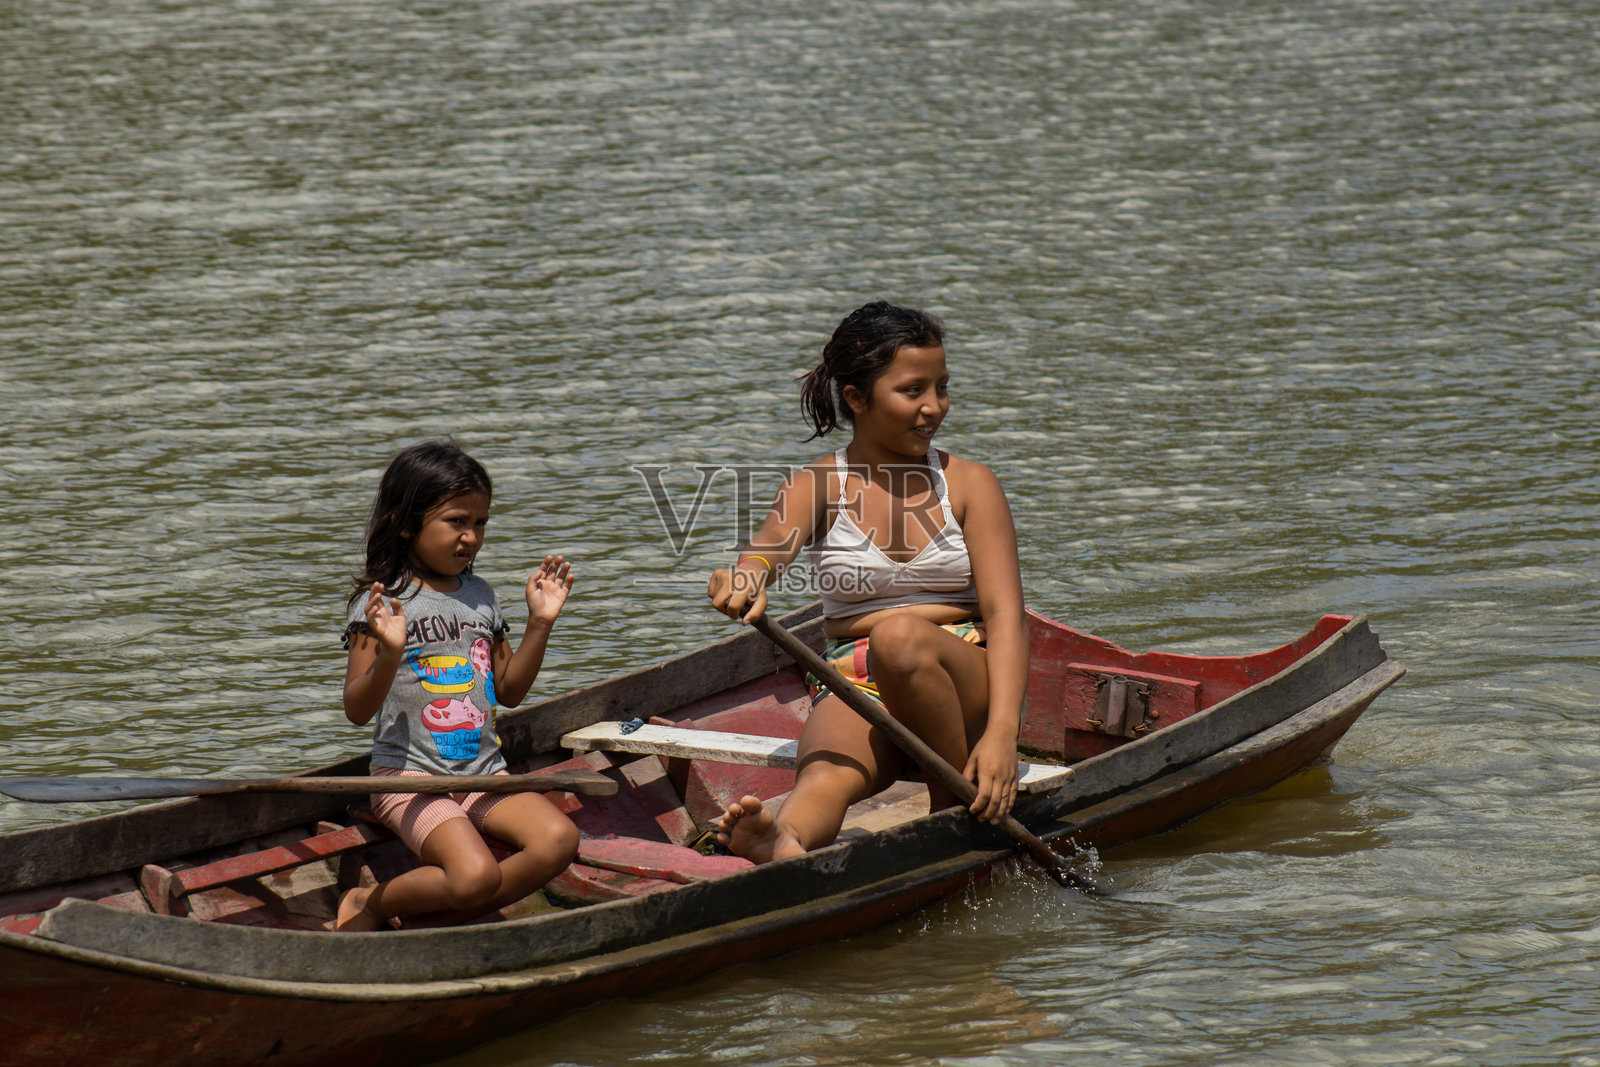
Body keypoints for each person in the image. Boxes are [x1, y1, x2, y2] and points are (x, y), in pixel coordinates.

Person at [707, 301, 1027, 864]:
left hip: (961, 673)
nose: (933, 408)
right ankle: (784, 840)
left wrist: (1001, 734)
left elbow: (1007, 618)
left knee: (899, 638)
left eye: (942, 388)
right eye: (913, 391)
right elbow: (765, 553)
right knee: (826, 775)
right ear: (856, 398)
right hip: (857, 675)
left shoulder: (972, 485)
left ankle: (946, 798)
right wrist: (743, 578)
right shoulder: (817, 484)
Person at [335, 440, 579, 931]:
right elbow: (357, 709)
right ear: (405, 524)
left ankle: (445, 915)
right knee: (474, 876)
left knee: (559, 839)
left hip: (484, 773)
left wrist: (541, 622)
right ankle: (373, 902)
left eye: (480, 523)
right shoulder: (381, 602)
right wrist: (390, 652)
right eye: (456, 522)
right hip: (410, 780)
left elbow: (507, 691)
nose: (470, 536)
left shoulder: (482, 596)